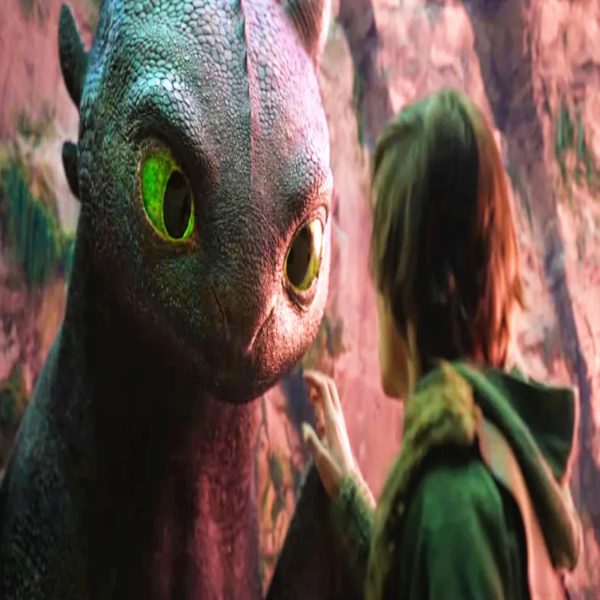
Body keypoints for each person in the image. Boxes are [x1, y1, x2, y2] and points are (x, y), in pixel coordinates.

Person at [301, 88, 582, 600]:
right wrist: (350, 495)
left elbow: (450, 547)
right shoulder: (499, 455)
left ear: (404, 286)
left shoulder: (452, 506)